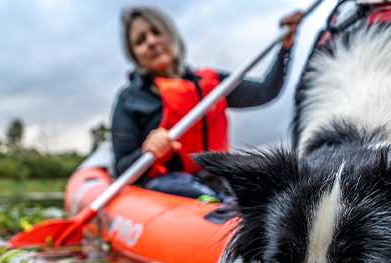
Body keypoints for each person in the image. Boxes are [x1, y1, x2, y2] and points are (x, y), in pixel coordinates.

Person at [111, 5, 303, 201]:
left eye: (157, 32)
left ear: (170, 35)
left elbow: (266, 91)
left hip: (218, 178)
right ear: (134, 55)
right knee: (179, 186)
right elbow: (122, 168)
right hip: (170, 188)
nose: (151, 42)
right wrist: (146, 151)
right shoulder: (130, 98)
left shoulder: (211, 83)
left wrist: (285, 47)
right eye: (140, 41)